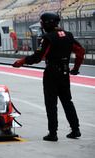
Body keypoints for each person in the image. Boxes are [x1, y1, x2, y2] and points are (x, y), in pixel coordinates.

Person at [12, 12, 85, 141]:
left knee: (51, 103)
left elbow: (37, 57)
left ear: (47, 23)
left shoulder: (48, 38)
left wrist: (21, 61)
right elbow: (80, 51)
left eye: (42, 23)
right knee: (67, 101)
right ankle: (75, 129)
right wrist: (75, 68)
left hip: (52, 73)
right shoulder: (68, 36)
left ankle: (53, 133)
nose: (41, 25)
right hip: (64, 72)